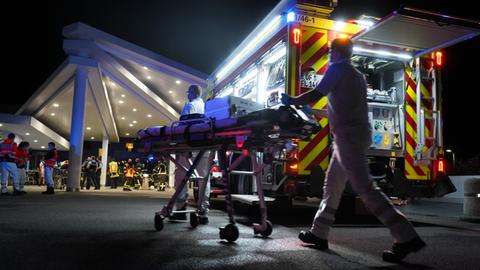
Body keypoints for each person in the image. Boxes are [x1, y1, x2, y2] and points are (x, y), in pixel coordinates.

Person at [282, 38, 425, 263]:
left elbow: (315, 94)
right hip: (352, 136)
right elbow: (340, 109)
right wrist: (316, 113)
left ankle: (405, 235)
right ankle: (319, 233)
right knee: (332, 185)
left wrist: (293, 100)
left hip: (348, 138)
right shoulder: (357, 76)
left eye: (330, 51)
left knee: (366, 189)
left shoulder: (336, 69)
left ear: (337, 52)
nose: (329, 54)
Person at [170, 85, 211, 224]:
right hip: (205, 148)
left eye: (188, 92)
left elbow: (182, 126)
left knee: (181, 177)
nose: (187, 95)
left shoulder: (189, 105)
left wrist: (180, 146)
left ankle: (181, 210)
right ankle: (203, 212)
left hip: (189, 147)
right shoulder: (207, 107)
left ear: (193, 92)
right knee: (204, 179)